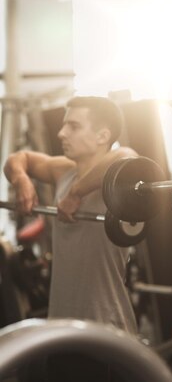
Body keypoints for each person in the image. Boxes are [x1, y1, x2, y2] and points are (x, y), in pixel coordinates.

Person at [4, 96, 138, 381]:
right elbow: (19, 159)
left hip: (105, 333)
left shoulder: (119, 178)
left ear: (103, 135)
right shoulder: (63, 170)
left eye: (73, 126)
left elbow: (125, 156)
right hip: (62, 332)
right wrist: (22, 180)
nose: (61, 133)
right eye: (64, 124)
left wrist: (76, 194)